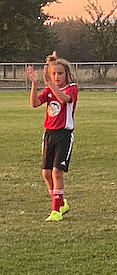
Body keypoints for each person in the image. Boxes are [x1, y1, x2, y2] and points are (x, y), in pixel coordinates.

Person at [26, 53, 78, 221]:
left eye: (59, 73)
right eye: (53, 74)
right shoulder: (48, 90)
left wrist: (48, 82)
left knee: (57, 172)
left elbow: (63, 99)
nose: (56, 77)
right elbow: (34, 103)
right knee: (46, 173)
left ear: (66, 74)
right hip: (49, 134)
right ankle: (61, 203)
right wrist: (35, 83)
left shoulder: (71, 88)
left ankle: (56, 210)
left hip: (64, 134)